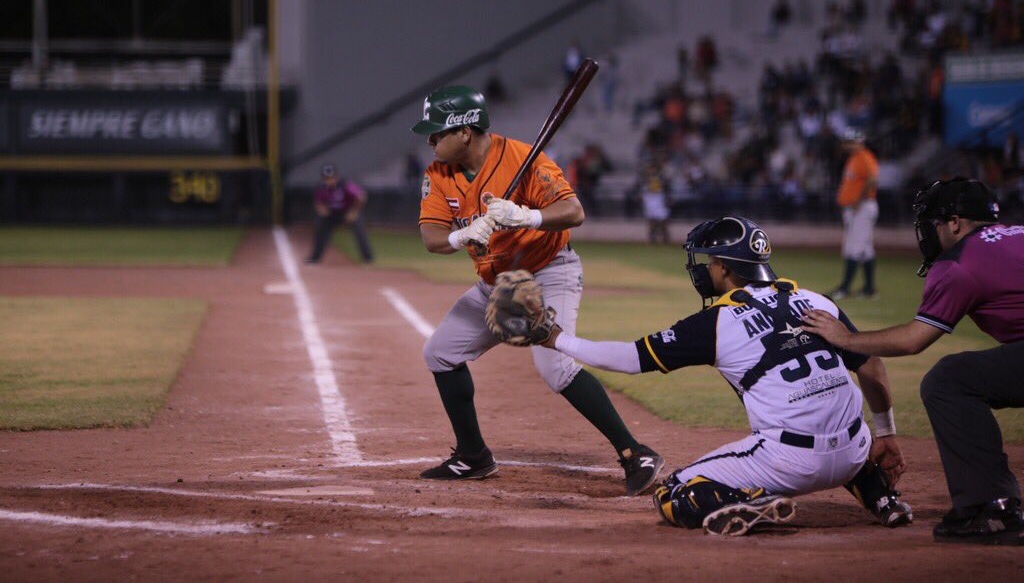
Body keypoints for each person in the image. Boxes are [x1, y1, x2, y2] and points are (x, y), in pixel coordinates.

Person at [514, 217, 911, 536]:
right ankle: (882, 500)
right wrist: (887, 434)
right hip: (855, 451)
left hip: (790, 462)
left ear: (723, 268)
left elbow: (631, 358)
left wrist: (557, 339)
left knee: (672, 495)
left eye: (708, 262)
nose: (705, 270)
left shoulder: (718, 322)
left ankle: (755, 504)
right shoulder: (815, 300)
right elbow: (872, 365)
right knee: (842, 437)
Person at [411, 85, 664, 494]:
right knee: (440, 352)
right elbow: (431, 237)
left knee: (555, 365)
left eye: (437, 132)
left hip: (550, 271)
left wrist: (525, 215)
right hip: (497, 280)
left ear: (464, 132)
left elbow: (573, 211)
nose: (430, 140)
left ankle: (635, 453)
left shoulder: (522, 158)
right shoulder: (438, 173)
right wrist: (464, 237)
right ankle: (474, 456)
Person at [803, 178, 1024, 545]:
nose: (929, 233)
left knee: (948, 381)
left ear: (953, 223)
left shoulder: (959, 262)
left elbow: (913, 340)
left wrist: (845, 338)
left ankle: (991, 508)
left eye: (934, 223)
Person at [829, 130, 878, 300]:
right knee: (866, 250)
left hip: (862, 208)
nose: (847, 145)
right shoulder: (854, 158)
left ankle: (844, 288)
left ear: (859, 141)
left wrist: (859, 199)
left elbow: (872, 179)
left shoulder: (864, 157)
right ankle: (869, 290)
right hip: (858, 208)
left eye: (850, 142)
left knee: (853, 248)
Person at [305, 164, 374, 265]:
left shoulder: (345, 185)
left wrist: (353, 212)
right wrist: (322, 210)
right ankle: (315, 258)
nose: (329, 181)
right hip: (332, 214)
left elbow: (362, 196)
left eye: (331, 178)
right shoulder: (321, 188)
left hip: (348, 212)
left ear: (336, 177)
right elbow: (318, 203)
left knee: (360, 231)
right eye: (326, 179)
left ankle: (368, 258)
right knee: (320, 228)